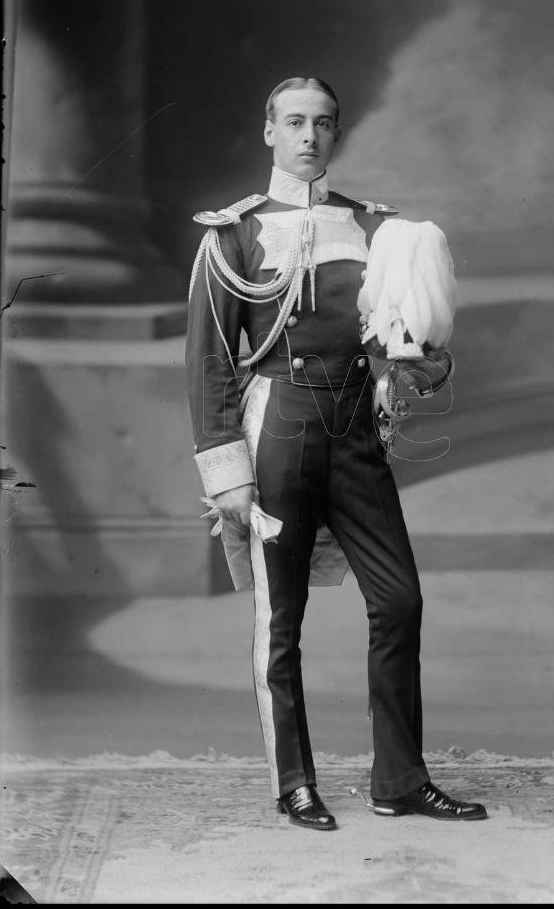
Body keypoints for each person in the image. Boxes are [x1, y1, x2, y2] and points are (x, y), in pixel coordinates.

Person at [185, 77, 487, 830]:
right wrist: (226, 474)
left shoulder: (379, 230)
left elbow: (411, 341)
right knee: (277, 620)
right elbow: (210, 363)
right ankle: (294, 782)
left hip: (353, 430)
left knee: (399, 600)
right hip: (277, 427)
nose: (309, 137)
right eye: (294, 122)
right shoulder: (233, 236)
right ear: (269, 132)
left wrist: (418, 364)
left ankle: (400, 780)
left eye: (322, 124)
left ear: (337, 133)